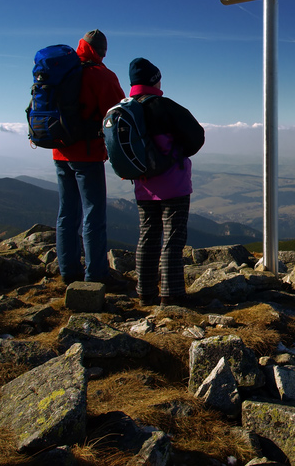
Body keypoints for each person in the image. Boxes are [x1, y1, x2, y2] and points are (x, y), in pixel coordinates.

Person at [127, 57, 205, 307]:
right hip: (174, 185)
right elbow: (196, 137)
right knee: (173, 240)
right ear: (154, 80)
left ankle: (145, 293)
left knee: (147, 237)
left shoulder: (125, 110)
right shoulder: (165, 106)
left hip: (143, 186)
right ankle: (172, 296)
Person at [53, 29, 125, 286]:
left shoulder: (62, 73)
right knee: (93, 213)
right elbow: (118, 114)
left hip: (60, 151)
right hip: (88, 153)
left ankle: (68, 270)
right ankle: (96, 274)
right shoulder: (101, 75)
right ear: (102, 51)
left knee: (67, 212)